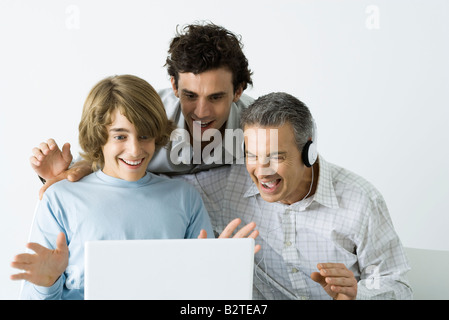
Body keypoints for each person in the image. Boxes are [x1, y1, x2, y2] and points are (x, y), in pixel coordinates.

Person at [10, 75, 258, 300]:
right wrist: (48, 284)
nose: (135, 150)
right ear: (99, 136)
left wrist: (222, 275)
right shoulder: (59, 199)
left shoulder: (184, 198)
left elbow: (202, 299)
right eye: (120, 136)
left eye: (144, 136)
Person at [179, 92, 413, 300]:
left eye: (276, 157)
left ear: (308, 152)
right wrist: (205, 265)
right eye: (252, 156)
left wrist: (357, 296)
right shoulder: (227, 185)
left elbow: (398, 286)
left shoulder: (361, 200)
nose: (262, 172)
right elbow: (156, 184)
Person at [31, 22, 254, 199]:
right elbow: (93, 157)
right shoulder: (146, 113)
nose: (202, 112)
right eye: (190, 96)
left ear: (237, 91)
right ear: (175, 86)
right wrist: (67, 171)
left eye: (216, 97)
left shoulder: (258, 124)